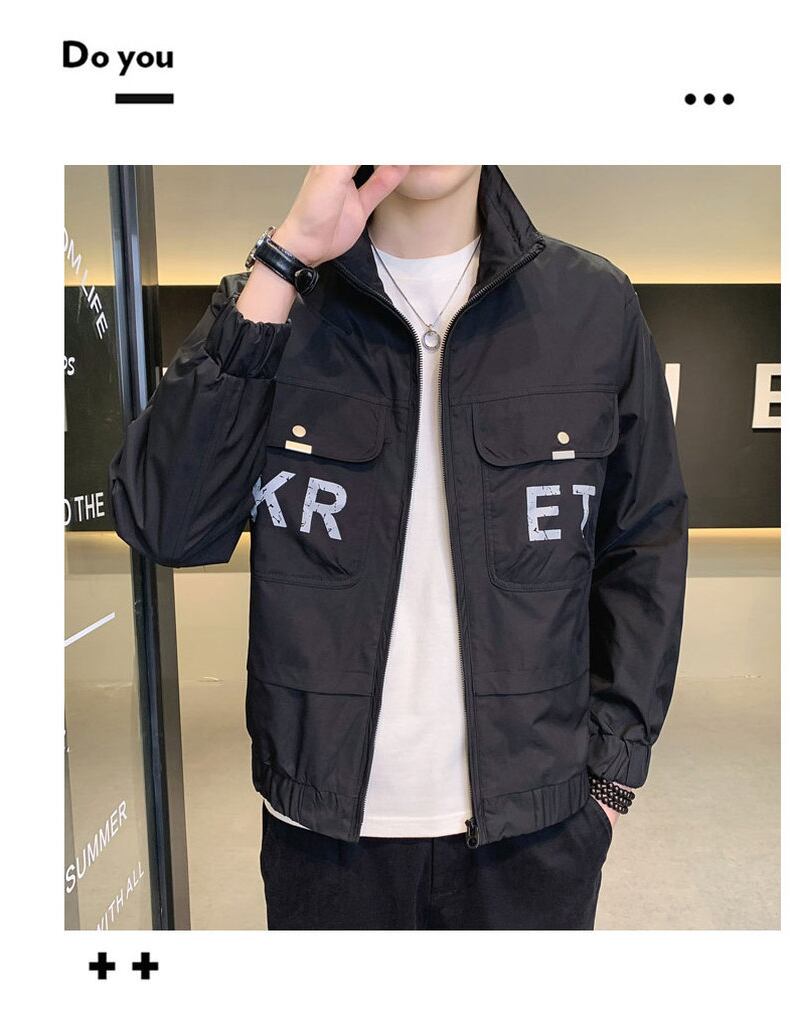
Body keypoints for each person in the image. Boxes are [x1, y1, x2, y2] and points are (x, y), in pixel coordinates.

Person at [108, 165, 689, 929]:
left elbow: (643, 543)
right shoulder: (274, 304)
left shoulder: (592, 306)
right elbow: (167, 522)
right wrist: (286, 256)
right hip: (324, 836)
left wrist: (611, 775)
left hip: (537, 829)